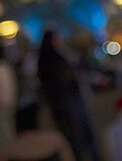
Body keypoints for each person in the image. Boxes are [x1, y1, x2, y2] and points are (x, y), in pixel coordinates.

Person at [37, 30, 100, 161]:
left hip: (65, 103)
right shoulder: (53, 59)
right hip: (67, 103)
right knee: (77, 136)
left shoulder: (54, 57)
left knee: (78, 137)